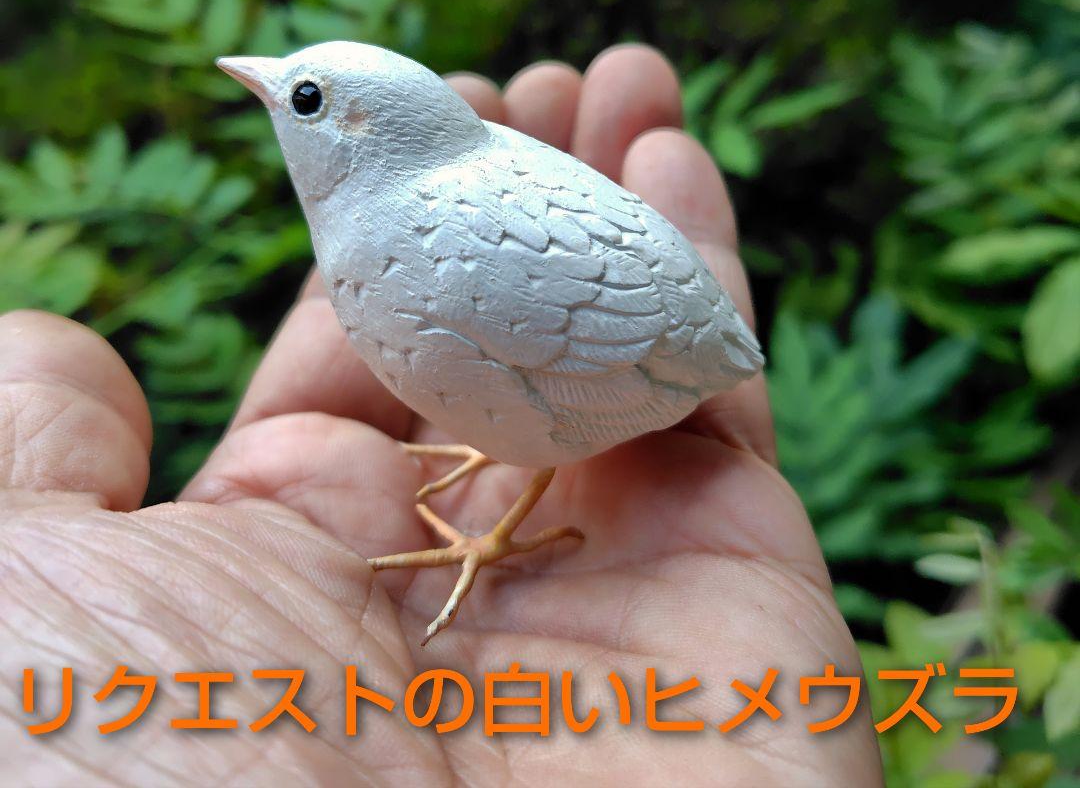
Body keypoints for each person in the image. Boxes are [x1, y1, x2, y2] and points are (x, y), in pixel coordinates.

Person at [0, 45, 883, 783]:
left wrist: (528, 453)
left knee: (527, 420)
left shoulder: (405, 238)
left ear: (356, 129)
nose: (271, 89)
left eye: (304, 99)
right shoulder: (436, 189)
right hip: (639, 330)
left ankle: (494, 531)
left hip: (641, 357)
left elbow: (571, 380)